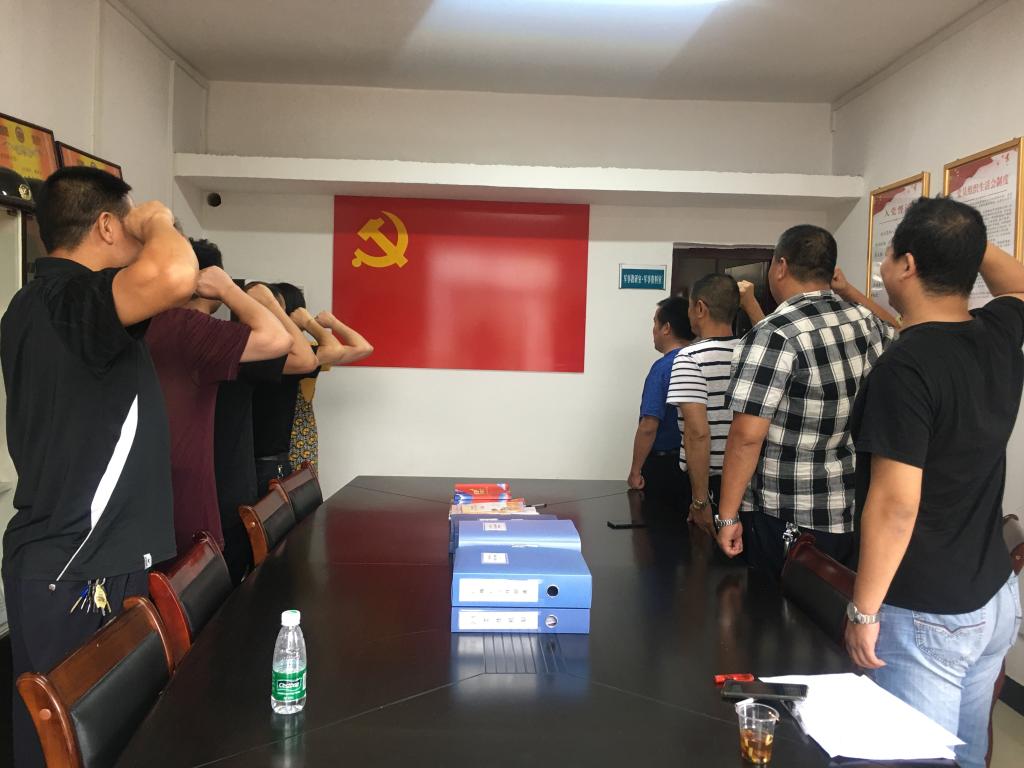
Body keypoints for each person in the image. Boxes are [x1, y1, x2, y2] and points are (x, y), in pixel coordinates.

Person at [0, 167, 198, 767]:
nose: (140, 240)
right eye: (130, 227)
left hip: (78, 561)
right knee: (72, 749)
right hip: (78, 566)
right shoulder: (71, 299)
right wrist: (158, 219)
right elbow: (176, 274)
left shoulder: (42, 304)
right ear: (108, 226)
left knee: (69, 745)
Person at [844, 198, 1023, 768]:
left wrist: (864, 611)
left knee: (914, 757)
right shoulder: (997, 333)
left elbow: (895, 504)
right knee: (966, 757)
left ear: (908, 265)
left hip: (926, 611)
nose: (883, 266)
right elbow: (1019, 283)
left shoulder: (906, 367)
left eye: (889, 253)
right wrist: (962, 242)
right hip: (993, 595)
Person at [715, 225, 896, 575]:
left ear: (781, 266)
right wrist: (851, 292)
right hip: (852, 509)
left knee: (775, 605)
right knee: (833, 602)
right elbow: (902, 334)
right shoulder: (866, 322)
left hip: (788, 513)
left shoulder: (774, 334)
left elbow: (747, 436)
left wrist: (727, 516)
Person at [145, 239, 291, 556]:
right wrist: (229, 289)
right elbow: (280, 340)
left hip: (155, 499)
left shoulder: (149, 323)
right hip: (196, 498)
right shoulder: (192, 330)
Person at [214, 282, 317, 583]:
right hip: (246, 468)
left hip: (244, 467)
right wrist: (274, 309)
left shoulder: (241, 350)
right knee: (253, 560)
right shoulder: (241, 351)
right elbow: (307, 359)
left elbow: (334, 353)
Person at [665, 275, 751, 536]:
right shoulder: (752, 352)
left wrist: (700, 501)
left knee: (702, 555)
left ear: (700, 308)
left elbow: (697, 433)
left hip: (710, 483)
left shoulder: (689, 358)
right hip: (748, 480)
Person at [274, 282, 373, 472]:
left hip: (294, 439)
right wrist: (323, 323)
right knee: (299, 488)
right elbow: (363, 348)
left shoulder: (265, 350)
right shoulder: (309, 353)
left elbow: (364, 348)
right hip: (296, 437)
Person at [627, 296, 694, 503]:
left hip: (665, 467)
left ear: (666, 328)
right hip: (696, 463)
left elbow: (649, 425)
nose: (653, 330)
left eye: (655, 323)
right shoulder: (700, 362)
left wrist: (635, 470)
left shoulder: (663, 368)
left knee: (657, 521)